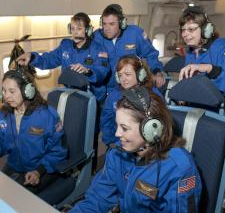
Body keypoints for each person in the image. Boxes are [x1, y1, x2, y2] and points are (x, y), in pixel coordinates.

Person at [69, 86, 202, 213]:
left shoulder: (180, 169)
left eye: (124, 128)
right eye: (117, 126)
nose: (117, 134)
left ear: (151, 129)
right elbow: (98, 199)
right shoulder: (117, 153)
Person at [0, 66, 67, 195]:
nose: (6, 96)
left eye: (12, 91)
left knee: (13, 198)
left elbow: (58, 151)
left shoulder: (46, 115)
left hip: (43, 168)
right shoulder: (4, 115)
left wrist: (39, 170)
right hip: (14, 165)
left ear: (27, 91)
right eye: (4, 90)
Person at [17, 12, 110, 102]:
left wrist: (88, 72)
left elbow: (102, 72)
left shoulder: (98, 49)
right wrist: (32, 57)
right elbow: (49, 59)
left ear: (88, 30)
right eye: (73, 29)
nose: (75, 33)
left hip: (94, 98)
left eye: (79, 29)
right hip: (72, 95)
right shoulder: (65, 46)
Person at [94, 4, 166, 93]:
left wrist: (157, 71)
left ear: (122, 23)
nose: (107, 28)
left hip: (131, 88)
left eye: (111, 24)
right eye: (104, 24)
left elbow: (151, 54)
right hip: (104, 90)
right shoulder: (96, 37)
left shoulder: (135, 33)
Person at [100, 54, 163, 146]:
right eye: (120, 75)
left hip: (147, 142)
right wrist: (110, 142)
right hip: (119, 141)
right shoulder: (114, 95)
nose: (123, 79)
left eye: (128, 74)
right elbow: (106, 121)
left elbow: (160, 123)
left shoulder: (153, 94)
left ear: (141, 74)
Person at [178, 5, 225, 96]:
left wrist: (209, 68)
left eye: (191, 29)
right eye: (183, 30)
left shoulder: (219, 47)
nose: (185, 34)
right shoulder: (191, 53)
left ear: (206, 30)